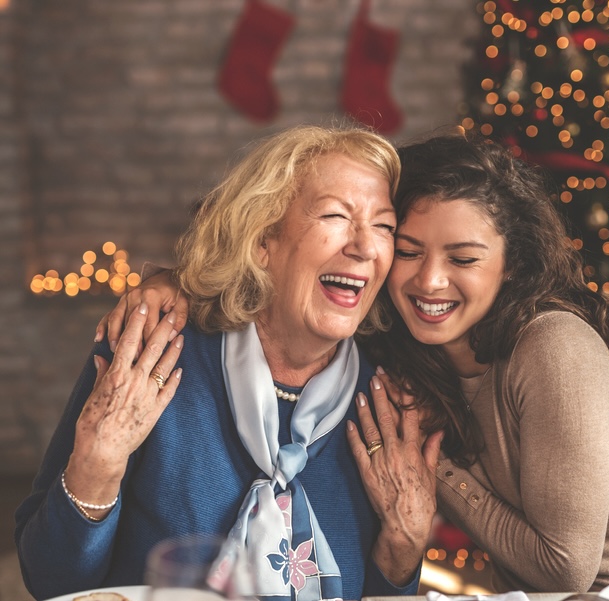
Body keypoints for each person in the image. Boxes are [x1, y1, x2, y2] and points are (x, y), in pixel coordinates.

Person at [93, 132, 609, 593]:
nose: (429, 280)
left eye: (464, 258)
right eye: (409, 248)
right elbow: (265, 272)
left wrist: (437, 467)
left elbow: (565, 566)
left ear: (513, 265)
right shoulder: (403, 354)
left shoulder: (551, 344)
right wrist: (169, 283)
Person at [15, 125, 442, 601]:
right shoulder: (153, 351)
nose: (365, 246)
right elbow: (49, 580)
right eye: (335, 216)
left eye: (384, 226)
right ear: (263, 241)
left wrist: (404, 545)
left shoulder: (384, 399)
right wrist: (98, 462)